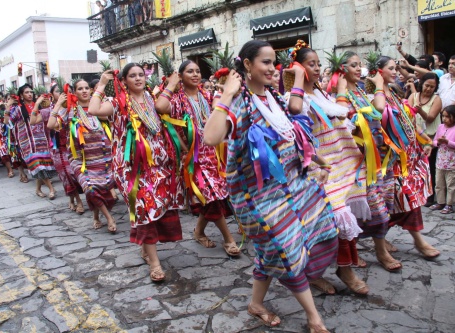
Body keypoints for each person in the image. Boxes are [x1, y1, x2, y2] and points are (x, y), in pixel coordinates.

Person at [203, 39, 338, 332]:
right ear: (247, 65)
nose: (272, 68)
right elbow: (211, 138)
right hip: (258, 197)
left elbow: (289, 138)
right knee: (286, 250)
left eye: (273, 62)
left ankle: (256, 304)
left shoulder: (273, 98)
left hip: (292, 188)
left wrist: (313, 162)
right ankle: (314, 318)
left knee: (280, 248)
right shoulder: (239, 102)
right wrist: (226, 94)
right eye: (264, 62)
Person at [287, 41, 370, 296]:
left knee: (342, 221)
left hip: (341, 163)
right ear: (298, 68)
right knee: (335, 218)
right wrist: (297, 79)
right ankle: (334, 271)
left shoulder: (321, 93)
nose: (317, 68)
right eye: (310, 64)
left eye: (318, 64)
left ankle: (339, 268)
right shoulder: (294, 97)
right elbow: (296, 115)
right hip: (318, 169)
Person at [89, 63, 184, 282]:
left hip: (160, 165)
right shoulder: (116, 103)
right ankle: (155, 263)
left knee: (158, 206)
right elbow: (93, 110)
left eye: (141, 75)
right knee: (145, 207)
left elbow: (169, 120)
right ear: (123, 81)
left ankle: (146, 249)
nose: (138, 79)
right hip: (132, 169)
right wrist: (102, 84)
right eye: (133, 76)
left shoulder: (154, 99)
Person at [155, 60, 240, 257]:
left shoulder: (207, 96)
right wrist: (171, 84)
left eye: (197, 71)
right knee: (210, 194)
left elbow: (222, 111)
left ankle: (199, 232)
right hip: (192, 159)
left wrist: (228, 92)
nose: (194, 74)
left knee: (214, 196)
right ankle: (229, 239)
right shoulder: (176, 100)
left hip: (213, 154)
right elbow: (160, 106)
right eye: (189, 71)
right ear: (181, 76)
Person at [337, 52, 401, 272]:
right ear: (342, 68)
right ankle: (377, 252)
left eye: (359, 65)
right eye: (353, 65)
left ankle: (369, 247)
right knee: (368, 209)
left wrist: (378, 84)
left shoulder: (363, 91)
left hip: (378, 159)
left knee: (383, 204)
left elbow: (379, 109)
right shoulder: (340, 93)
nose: (358, 68)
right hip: (358, 162)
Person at [376, 55, 440, 259]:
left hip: (406, 159)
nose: (396, 72)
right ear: (379, 71)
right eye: (391, 68)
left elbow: (409, 125)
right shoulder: (375, 96)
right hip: (387, 160)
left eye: (396, 68)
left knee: (402, 199)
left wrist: (426, 141)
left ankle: (381, 236)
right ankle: (416, 241)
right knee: (401, 197)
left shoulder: (395, 95)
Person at [48, 80, 117, 232]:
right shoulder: (70, 110)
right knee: (90, 188)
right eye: (80, 88)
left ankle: (96, 216)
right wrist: (58, 104)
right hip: (81, 159)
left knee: (103, 189)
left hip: (102, 156)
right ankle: (109, 218)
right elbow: (51, 125)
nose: (84, 91)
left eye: (87, 88)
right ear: (74, 92)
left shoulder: (98, 107)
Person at [5, 84, 56, 198]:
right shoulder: (18, 109)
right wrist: (8, 107)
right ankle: (51, 189)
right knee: (37, 164)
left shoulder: (39, 106)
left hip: (42, 140)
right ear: (21, 95)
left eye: (31, 92)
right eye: (27, 92)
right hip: (27, 143)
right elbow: (7, 122)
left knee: (40, 166)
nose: (30, 94)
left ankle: (38, 189)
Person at [42, 85, 85, 214]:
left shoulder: (76, 108)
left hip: (75, 147)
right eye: (60, 93)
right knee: (67, 174)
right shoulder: (48, 110)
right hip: (59, 148)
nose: (67, 95)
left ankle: (72, 198)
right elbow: (49, 125)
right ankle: (78, 200)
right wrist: (58, 105)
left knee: (75, 174)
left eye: (70, 92)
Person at [408, 72, 442, 207]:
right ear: (422, 84)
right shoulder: (413, 96)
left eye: (432, 87)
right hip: (415, 137)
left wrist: (419, 110)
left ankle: (430, 195)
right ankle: (416, 191)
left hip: (430, 138)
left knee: (430, 167)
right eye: (427, 85)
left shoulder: (437, 99)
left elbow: (430, 118)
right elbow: (408, 114)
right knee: (415, 166)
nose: (428, 89)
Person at [430, 105, 455, 214]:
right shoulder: (440, 127)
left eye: (448, 117)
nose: (444, 119)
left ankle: (449, 204)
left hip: (452, 162)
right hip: (440, 161)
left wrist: (447, 142)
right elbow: (434, 142)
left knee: (451, 185)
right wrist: (438, 142)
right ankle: (440, 202)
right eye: (443, 116)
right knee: (439, 183)